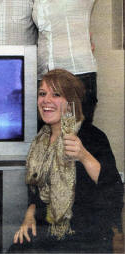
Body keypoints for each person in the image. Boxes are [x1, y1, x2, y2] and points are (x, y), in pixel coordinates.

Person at [10, 69, 123, 253]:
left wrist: (84, 156)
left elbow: (114, 189)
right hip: (45, 229)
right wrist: (29, 214)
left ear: (71, 103)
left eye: (56, 94)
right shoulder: (40, 139)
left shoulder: (92, 136)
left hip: (84, 235)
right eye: (42, 94)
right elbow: (36, 190)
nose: (46, 100)